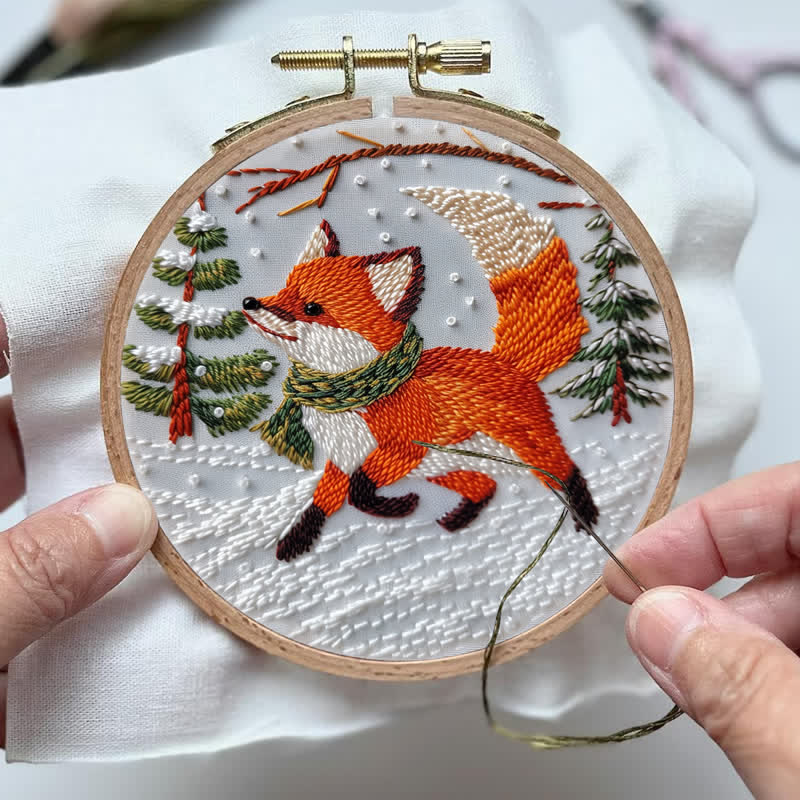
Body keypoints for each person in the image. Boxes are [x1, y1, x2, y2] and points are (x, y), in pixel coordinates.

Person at [0, 317, 797, 796]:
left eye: (305, 311)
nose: (277, 317)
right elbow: (364, 455)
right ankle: (444, 497)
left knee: (531, 450)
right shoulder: (337, 391)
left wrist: (364, 489)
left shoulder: (391, 384)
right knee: (379, 469)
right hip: (423, 434)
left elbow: (395, 448)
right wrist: (339, 501)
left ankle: (574, 499)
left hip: (484, 402)